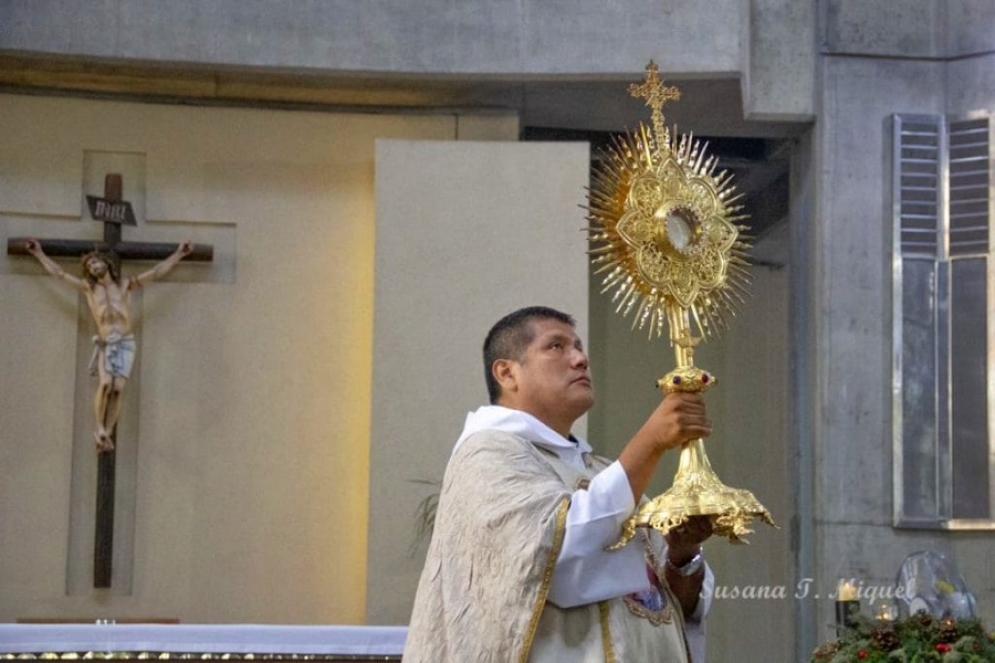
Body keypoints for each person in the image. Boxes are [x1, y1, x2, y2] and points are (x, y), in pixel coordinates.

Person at [405, 305, 716, 662]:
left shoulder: (600, 471)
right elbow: (557, 561)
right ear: (507, 373)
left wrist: (682, 555)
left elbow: (672, 604)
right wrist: (650, 442)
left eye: (579, 347)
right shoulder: (486, 455)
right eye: (556, 346)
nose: (581, 359)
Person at [24, 238, 194, 452]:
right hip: (106, 342)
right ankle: (98, 427)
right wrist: (38, 253)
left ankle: (107, 432)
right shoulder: (89, 288)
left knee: (117, 389)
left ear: (106, 263)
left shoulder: (125, 285)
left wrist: (179, 254)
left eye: (96, 262)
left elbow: (155, 273)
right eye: (89, 266)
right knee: (105, 384)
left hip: (125, 342)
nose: (94, 267)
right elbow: (59, 274)